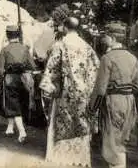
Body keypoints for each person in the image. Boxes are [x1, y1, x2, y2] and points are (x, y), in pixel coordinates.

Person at [39, 17, 100, 167]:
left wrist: (49, 86)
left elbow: (52, 68)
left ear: (66, 28)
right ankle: (79, 158)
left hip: (64, 92)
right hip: (82, 94)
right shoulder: (87, 47)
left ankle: (60, 157)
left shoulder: (60, 45)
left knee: (61, 122)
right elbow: (95, 70)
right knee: (80, 122)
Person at [88, 22, 138, 168]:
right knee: (121, 142)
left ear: (112, 38)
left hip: (113, 102)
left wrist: (91, 109)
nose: (103, 39)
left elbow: (100, 89)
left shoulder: (107, 58)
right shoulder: (133, 58)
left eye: (105, 36)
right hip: (129, 103)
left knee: (111, 141)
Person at [0, 25, 35, 143]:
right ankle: (10, 128)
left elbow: (0, 70)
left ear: (7, 35)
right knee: (17, 104)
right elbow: (32, 66)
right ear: (17, 35)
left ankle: (22, 131)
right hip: (24, 80)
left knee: (13, 104)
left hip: (10, 79)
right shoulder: (25, 48)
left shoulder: (5, 50)